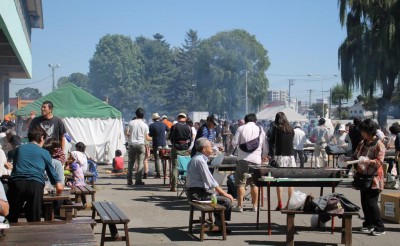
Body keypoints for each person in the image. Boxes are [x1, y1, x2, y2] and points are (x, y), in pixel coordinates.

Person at [7, 126, 63, 222]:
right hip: (35, 184)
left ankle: (9, 235)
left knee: (12, 215)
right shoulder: (45, 152)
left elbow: (15, 168)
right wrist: (58, 184)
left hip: (17, 183)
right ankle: (35, 235)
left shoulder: (18, 149)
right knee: (34, 217)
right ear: (41, 138)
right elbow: (52, 174)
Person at [346, 119, 385, 236]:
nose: (362, 133)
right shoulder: (362, 143)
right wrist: (346, 159)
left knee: (371, 203)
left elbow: (379, 162)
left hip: (374, 178)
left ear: (370, 131)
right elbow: (354, 156)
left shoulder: (379, 144)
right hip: (362, 177)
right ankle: (368, 224)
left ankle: (379, 226)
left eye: (363, 131)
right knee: (364, 202)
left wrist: (368, 161)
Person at [186, 137, 234, 231]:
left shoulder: (196, 158)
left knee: (217, 196)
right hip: (197, 194)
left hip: (195, 191)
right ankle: (221, 224)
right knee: (227, 200)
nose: (212, 148)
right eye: (210, 146)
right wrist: (224, 193)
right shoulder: (200, 160)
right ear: (204, 148)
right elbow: (211, 181)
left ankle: (219, 222)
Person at [232, 113, 268, 212]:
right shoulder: (261, 130)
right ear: (255, 121)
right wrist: (263, 157)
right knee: (254, 183)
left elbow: (234, 143)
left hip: (242, 159)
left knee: (240, 183)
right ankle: (255, 206)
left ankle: (239, 206)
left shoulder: (241, 128)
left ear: (245, 120)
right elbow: (266, 147)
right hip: (256, 160)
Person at [270, 112, 296, 210]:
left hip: (280, 156)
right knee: (291, 181)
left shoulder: (276, 128)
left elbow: (271, 141)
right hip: (290, 157)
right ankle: (289, 203)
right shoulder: (291, 129)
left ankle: (280, 203)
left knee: (279, 180)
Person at [125, 108, 151, 186]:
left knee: (130, 163)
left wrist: (130, 136)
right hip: (140, 145)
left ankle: (129, 180)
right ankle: (138, 180)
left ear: (136, 114)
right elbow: (147, 137)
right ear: (143, 115)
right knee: (140, 163)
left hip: (132, 145)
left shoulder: (131, 123)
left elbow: (126, 132)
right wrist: (152, 138)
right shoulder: (145, 125)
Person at [169, 113, 192, 192]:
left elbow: (170, 137)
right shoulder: (189, 127)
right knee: (184, 167)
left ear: (178, 118)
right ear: (185, 119)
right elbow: (190, 139)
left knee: (175, 167)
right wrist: (187, 146)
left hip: (175, 148)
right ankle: (186, 185)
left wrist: (174, 145)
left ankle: (174, 186)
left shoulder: (174, 126)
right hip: (185, 149)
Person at [149, 113, 168, 178]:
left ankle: (158, 174)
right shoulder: (163, 124)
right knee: (164, 158)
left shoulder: (151, 125)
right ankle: (165, 174)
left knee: (157, 158)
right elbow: (168, 130)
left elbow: (150, 135)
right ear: (159, 118)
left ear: (153, 119)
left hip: (156, 144)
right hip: (163, 143)